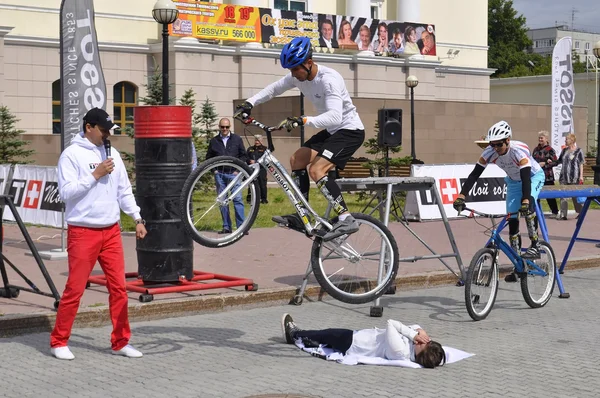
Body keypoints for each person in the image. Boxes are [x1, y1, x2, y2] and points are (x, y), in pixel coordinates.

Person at [234, 36, 365, 241]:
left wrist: (303, 120)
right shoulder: (297, 77)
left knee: (316, 169)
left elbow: (335, 116)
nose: (293, 74)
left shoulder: (329, 80)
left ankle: (346, 217)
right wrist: (249, 103)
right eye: (290, 70)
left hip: (349, 131)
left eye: (296, 69)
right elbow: (274, 89)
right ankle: (302, 215)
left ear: (309, 63)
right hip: (332, 131)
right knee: (297, 159)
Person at [51, 107, 147, 360]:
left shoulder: (111, 152)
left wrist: (137, 217)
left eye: (109, 131)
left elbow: (123, 189)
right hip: (83, 231)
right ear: (88, 128)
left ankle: (121, 341)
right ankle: (59, 341)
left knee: (119, 289)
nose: (107, 135)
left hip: (111, 231)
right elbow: (66, 193)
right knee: (75, 289)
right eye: (103, 130)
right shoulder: (71, 155)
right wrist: (95, 174)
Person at [453, 121, 545, 281]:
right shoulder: (490, 152)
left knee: (528, 204)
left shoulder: (519, 151)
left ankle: (535, 245)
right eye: (492, 144)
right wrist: (461, 196)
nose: (495, 148)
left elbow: (525, 179)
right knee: (512, 219)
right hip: (513, 182)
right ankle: (519, 266)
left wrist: (525, 200)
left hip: (532, 177)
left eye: (499, 145)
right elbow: (475, 174)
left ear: (508, 140)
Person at [281, 313, 446, 369]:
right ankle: (308, 340)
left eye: (425, 343)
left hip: (354, 342)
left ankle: (295, 333)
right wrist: (419, 331)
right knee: (327, 338)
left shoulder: (400, 351)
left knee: (325, 334)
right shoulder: (413, 348)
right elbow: (413, 328)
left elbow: (391, 324)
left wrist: (413, 333)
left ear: (421, 351)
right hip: (357, 338)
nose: (423, 340)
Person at [206, 117, 248, 234]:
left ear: (230, 127)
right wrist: (214, 171)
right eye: (222, 127)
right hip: (220, 175)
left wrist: (238, 170)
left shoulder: (237, 139)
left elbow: (243, 155)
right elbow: (209, 158)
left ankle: (241, 227)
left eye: (227, 127)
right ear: (219, 127)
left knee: (238, 199)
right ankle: (226, 227)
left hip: (234, 174)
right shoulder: (214, 141)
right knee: (222, 201)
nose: (224, 129)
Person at [548, 133, 585, 220]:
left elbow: (581, 163)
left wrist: (581, 176)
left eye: (567, 139)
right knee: (563, 196)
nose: (565, 141)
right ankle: (563, 215)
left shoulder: (579, 151)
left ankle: (581, 212)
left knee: (575, 196)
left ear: (572, 140)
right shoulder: (564, 150)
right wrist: (551, 162)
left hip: (574, 177)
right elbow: (559, 161)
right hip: (564, 177)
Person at [532, 131, 559, 218]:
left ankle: (555, 211)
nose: (540, 139)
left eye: (542, 138)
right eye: (539, 138)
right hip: (536, 176)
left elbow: (555, 162)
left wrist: (545, 164)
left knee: (550, 195)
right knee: (535, 193)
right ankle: (536, 211)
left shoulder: (550, 150)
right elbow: (532, 160)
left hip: (547, 176)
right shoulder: (536, 149)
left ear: (546, 139)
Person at [246, 134, 268, 204]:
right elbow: (246, 158)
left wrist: (255, 161)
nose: (257, 142)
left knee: (262, 184)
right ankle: (250, 199)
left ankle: (263, 199)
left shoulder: (265, 149)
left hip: (261, 169)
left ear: (261, 141)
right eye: (256, 140)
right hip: (252, 169)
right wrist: (249, 161)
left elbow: (266, 159)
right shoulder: (250, 149)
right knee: (251, 183)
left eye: (258, 140)